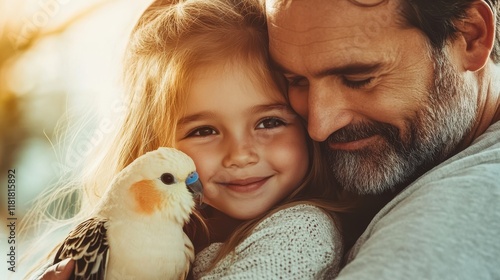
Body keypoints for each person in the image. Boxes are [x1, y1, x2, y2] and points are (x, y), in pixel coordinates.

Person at [24, 0, 355, 279]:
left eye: (269, 122)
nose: (240, 155)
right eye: (204, 131)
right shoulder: (154, 240)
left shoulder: (300, 232)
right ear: (158, 148)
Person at [265, 0, 500, 278]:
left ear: (469, 35)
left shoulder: (459, 213)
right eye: (295, 80)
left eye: (358, 78)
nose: (319, 127)